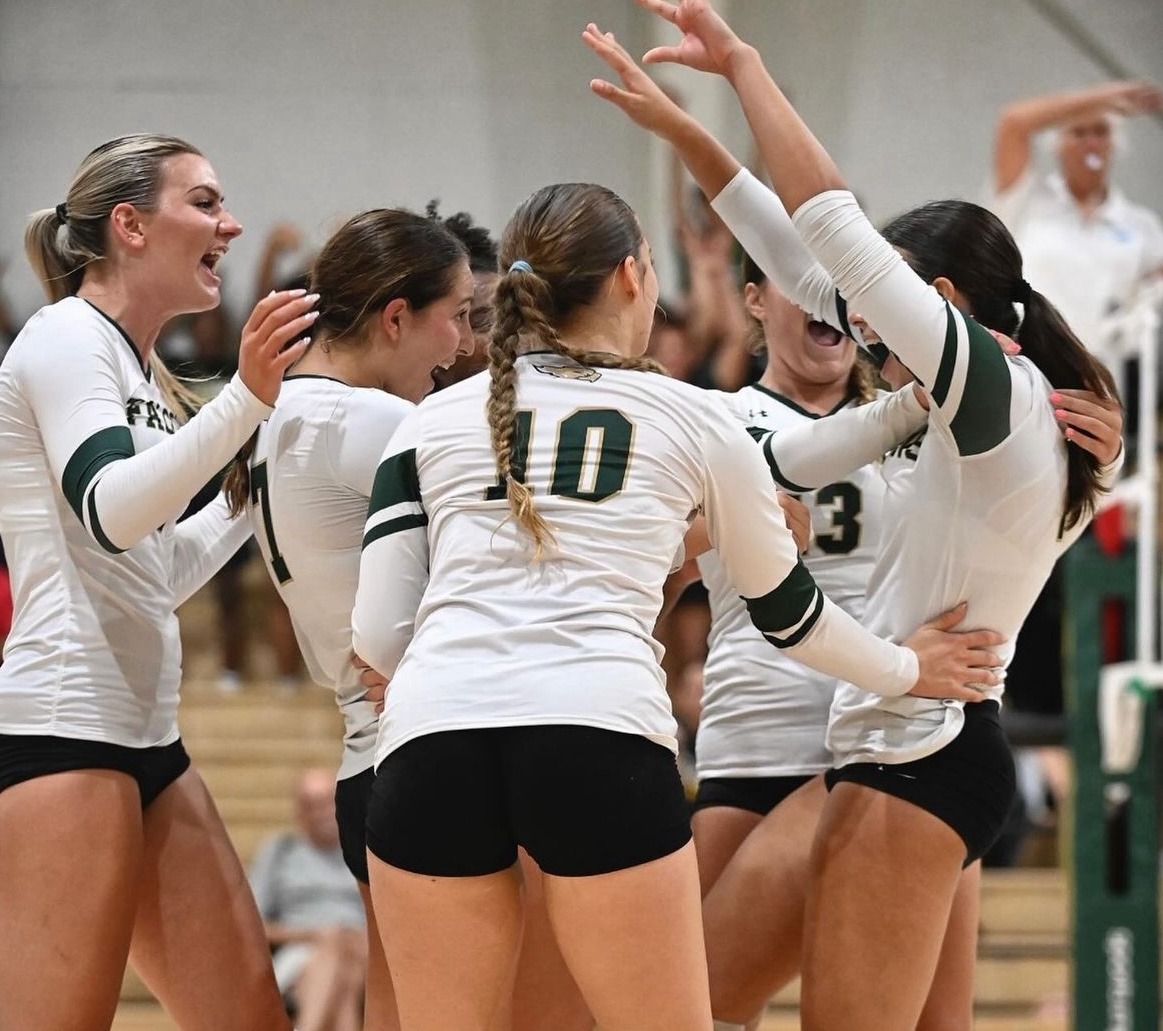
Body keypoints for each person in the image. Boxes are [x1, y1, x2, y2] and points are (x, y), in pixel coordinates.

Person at [351, 178, 1006, 1031]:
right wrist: (907, 667)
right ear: (631, 276)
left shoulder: (427, 421)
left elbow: (376, 634)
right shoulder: (692, 414)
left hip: (429, 742)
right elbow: (790, 613)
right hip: (597, 735)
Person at [596, 4, 1123, 1028]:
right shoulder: (960, 411)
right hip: (865, 738)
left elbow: (829, 225)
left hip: (911, 736)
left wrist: (743, 68)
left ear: (932, 299)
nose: (860, 338)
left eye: (881, 322)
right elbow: (805, 280)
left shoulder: (980, 385)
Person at [0, 133, 315, 1031]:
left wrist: (256, 483)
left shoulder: (138, 367)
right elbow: (110, 509)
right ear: (130, 225)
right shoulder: (65, 335)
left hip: (147, 736)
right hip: (64, 731)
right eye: (207, 202)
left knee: (249, 1013)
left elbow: (152, 568)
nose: (233, 222)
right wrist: (244, 400)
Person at [225, 205, 476, 1031]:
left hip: (366, 763)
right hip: (430, 756)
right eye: (457, 318)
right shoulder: (373, 423)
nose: (463, 346)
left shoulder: (277, 419)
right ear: (396, 317)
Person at [990, 80, 1163, 366]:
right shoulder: (1024, 201)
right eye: (1078, 132)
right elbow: (1014, 122)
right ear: (1057, 144)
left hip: (1102, 375)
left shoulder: (1140, 225)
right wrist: (1102, 98)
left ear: (1115, 144)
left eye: (1100, 131)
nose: (1090, 143)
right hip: (1025, 365)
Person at [250, 767, 369, 1031]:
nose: (324, 813)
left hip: (363, 950)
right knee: (340, 972)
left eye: (328, 802)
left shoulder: (366, 853)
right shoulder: (281, 852)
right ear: (300, 811)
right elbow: (254, 926)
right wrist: (315, 935)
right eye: (313, 804)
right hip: (301, 952)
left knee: (343, 959)